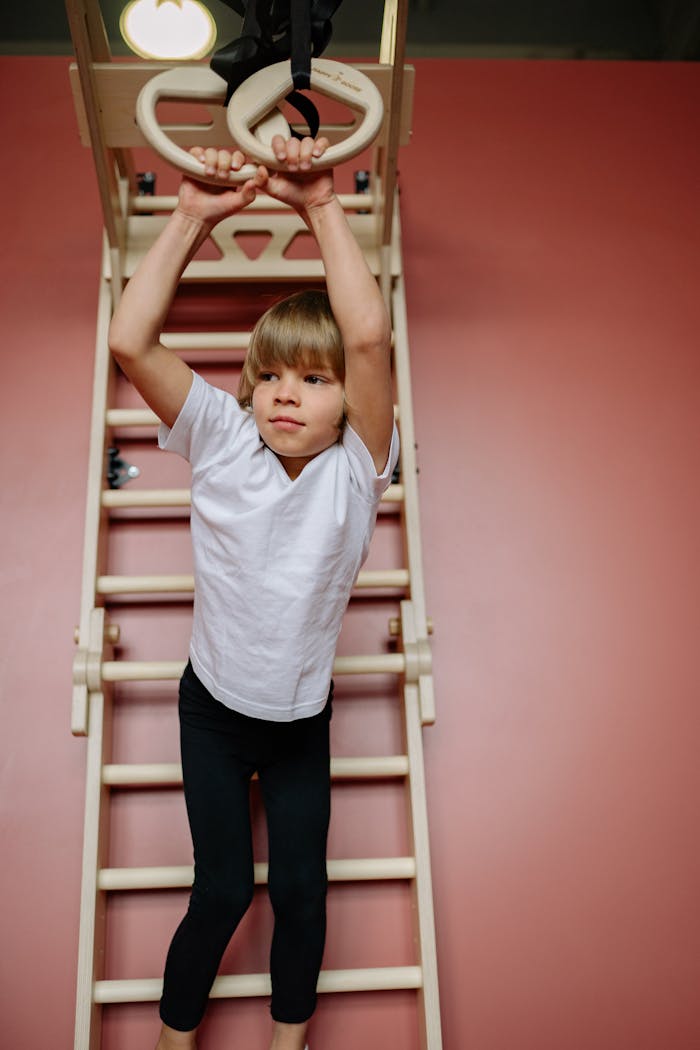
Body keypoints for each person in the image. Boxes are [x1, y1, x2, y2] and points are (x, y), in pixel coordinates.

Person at [108, 134, 399, 1050]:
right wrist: (192, 215)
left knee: (301, 894)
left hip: (300, 718)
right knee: (225, 891)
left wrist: (319, 206)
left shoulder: (358, 466)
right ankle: (173, 1035)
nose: (285, 393)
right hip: (214, 711)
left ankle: (286, 1040)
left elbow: (367, 334)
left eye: (313, 382)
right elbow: (129, 340)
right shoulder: (222, 437)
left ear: (347, 401)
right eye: (269, 373)